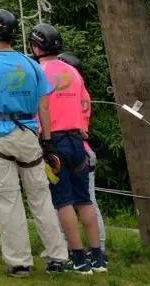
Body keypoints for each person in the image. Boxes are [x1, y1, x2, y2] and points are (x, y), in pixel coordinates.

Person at [0, 9, 69, 277]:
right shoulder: (32, 65)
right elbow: (44, 107)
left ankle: (19, 262)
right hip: (30, 136)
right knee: (40, 197)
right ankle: (58, 256)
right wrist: (47, 142)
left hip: (0, 136)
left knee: (7, 199)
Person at [30, 26, 106, 274]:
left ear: (36, 47)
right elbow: (86, 102)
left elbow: (36, 109)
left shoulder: (37, 73)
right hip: (78, 141)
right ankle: (98, 257)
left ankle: (78, 257)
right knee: (84, 200)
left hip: (54, 142)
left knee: (63, 201)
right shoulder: (72, 71)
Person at [58, 51, 105, 265]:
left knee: (63, 202)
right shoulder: (81, 92)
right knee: (88, 202)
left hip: (66, 147)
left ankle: (72, 251)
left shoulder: (62, 92)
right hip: (84, 149)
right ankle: (98, 251)